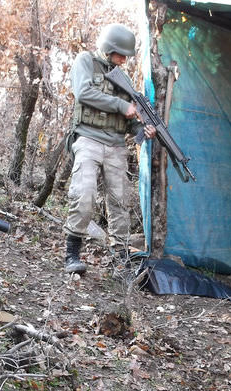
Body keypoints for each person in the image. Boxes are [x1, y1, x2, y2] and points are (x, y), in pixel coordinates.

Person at [64, 23, 156, 274]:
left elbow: (130, 122)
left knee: (119, 202)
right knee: (84, 194)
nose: (124, 59)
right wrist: (121, 105)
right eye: (121, 54)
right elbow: (83, 93)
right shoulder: (86, 61)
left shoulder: (124, 80)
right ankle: (72, 253)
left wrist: (143, 129)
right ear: (108, 47)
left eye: (127, 55)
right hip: (89, 139)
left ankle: (121, 260)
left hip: (116, 145)